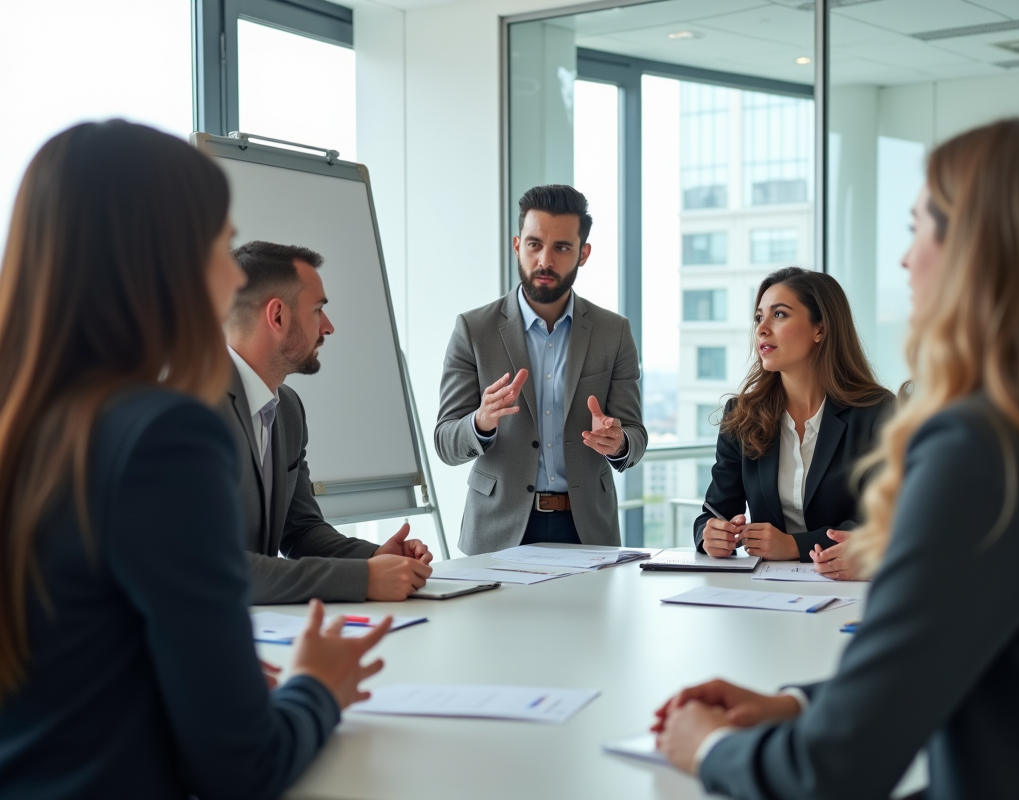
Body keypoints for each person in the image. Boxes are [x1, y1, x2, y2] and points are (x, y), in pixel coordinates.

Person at [653, 116, 1019, 799]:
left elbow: (835, 771)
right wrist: (796, 703)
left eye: (919, 228)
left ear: (985, 249)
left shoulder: (982, 447)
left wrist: (707, 748)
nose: (906, 260)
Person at [0, 121, 394, 799]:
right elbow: (241, 765)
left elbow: (73, 666)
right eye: (219, 242)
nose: (227, 270)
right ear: (162, 261)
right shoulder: (165, 435)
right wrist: (316, 688)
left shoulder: (32, 421)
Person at [435, 184, 646, 554]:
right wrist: (481, 422)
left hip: (586, 530)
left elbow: (635, 436)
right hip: (497, 530)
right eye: (534, 244)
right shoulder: (473, 330)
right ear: (517, 246)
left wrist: (619, 442)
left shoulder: (614, 332)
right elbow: (445, 442)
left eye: (561, 247)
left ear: (583, 253)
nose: (544, 260)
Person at [222, 240, 432, 604]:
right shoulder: (191, 409)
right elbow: (215, 567)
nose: (329, 327)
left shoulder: (286, 409)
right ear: (277, 317)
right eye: (318, 310)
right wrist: (362, 579)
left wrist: (375, 559)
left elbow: (300, 530)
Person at [695, 267, 894, 576]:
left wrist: (794, 545)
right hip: (767, 591)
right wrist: (711, 535)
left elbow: (882, 519)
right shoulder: (742, 414)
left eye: (780, 315)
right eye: (759, 318)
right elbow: (714, 510)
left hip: (851, 585)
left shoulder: (875, 411)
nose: (762, 329)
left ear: (821, 329)